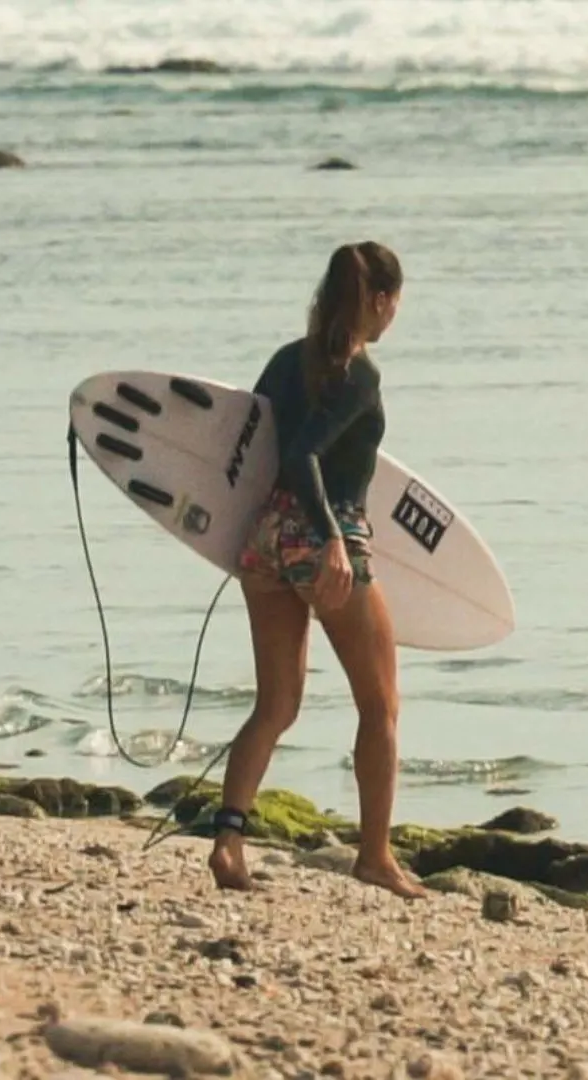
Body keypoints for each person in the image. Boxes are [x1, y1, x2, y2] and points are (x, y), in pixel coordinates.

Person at [206, 240, 426, 900]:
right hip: (324, 538)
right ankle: (376, 857)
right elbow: (304, 454)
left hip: (266, 537)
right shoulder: (358, 374)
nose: (394, 317)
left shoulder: (283, 360)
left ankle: (227, 842)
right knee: (381, 704)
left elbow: (249, 444)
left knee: (275, 704)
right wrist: (332, 539)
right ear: (381, 302)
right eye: (395, 304)